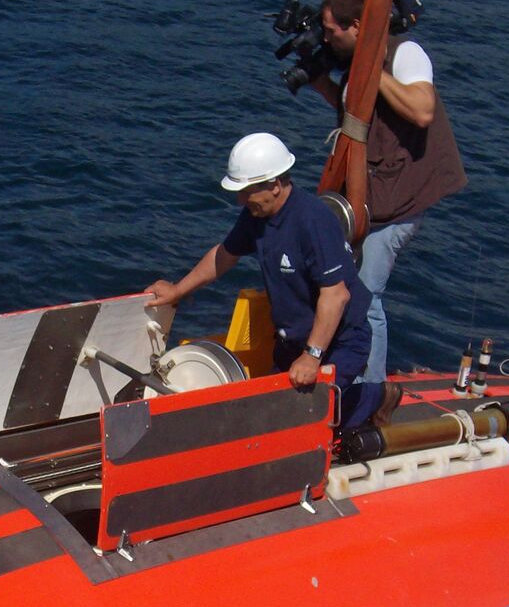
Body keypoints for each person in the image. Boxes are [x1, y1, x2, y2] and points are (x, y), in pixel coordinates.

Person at [147, 132, 401, 430]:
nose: (241, 199)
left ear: (275, 185)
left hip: (339, 341)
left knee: (308, 418)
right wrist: (177, 290)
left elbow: (337, 296)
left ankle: (377, 397)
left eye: (247, 191)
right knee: (266, 414)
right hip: (292, 340)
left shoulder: (313, 221)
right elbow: (224, 255)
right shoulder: (255, 216)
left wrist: (312, 356)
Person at [310, 0, 467, 383]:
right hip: (368, 194)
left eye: (332, 31)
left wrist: (372, 68)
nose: (327, 39)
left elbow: (421, 109)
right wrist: (321, 82)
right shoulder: (359, 62)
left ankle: (369, 392)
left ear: (359, 26)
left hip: (399, 200)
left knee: (364, 298)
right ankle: (348, 372)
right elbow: (359, 110)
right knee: (342, 285)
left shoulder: (405, 54)